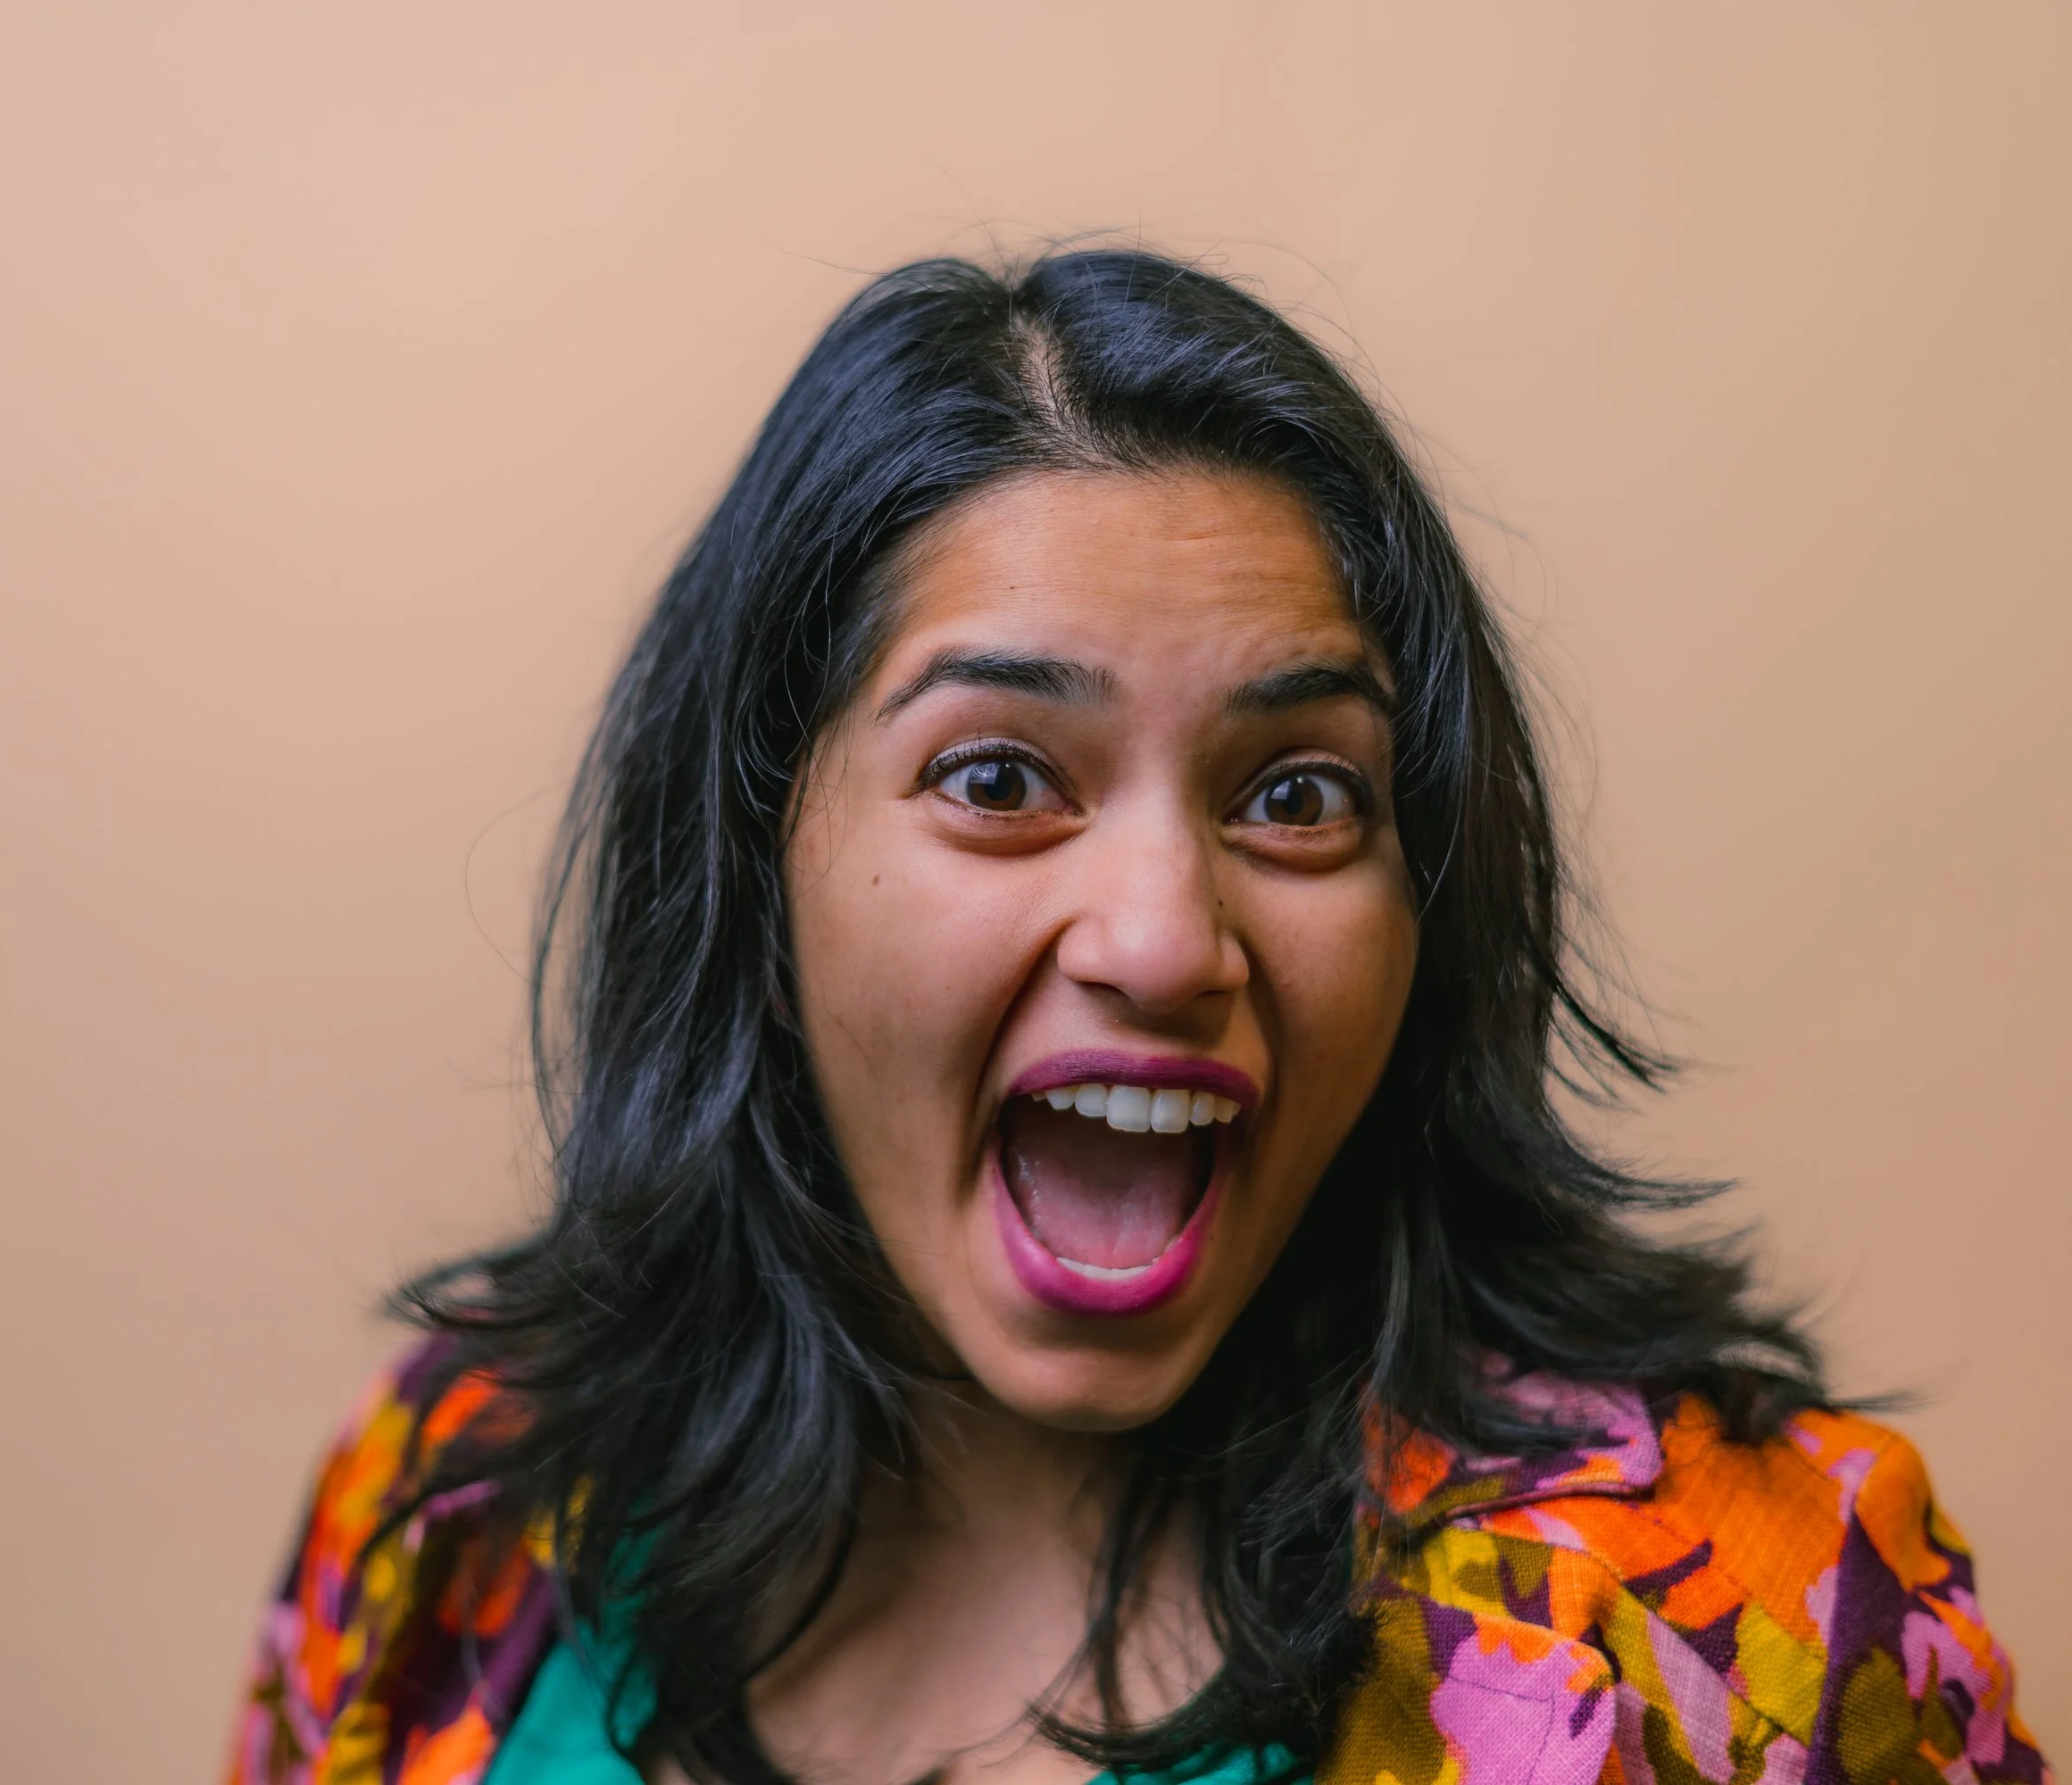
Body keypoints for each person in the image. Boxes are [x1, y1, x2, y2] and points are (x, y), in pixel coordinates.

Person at [226, 251, 2047, 1785]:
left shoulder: (1747, 1617)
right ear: (754, 854)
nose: (1170, 939)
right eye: (1001, 773)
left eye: (1296, 797)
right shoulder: (450, 1501)